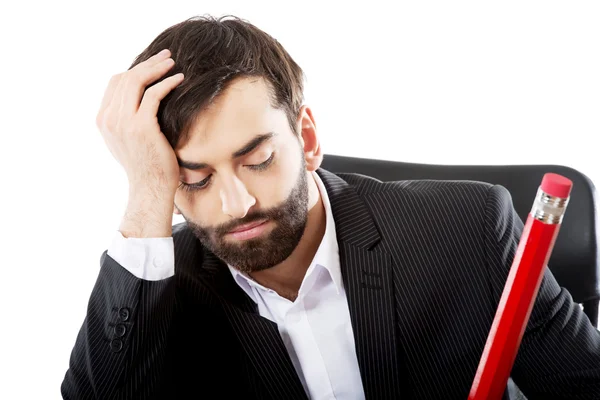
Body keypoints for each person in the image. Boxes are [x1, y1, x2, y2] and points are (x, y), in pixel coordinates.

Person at [61, 15, 600, 400]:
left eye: (259, 159)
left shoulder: (470, 229)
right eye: (193, 180)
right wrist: (146, 193)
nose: (235, 204)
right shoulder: (154, 290)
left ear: (308, 138)